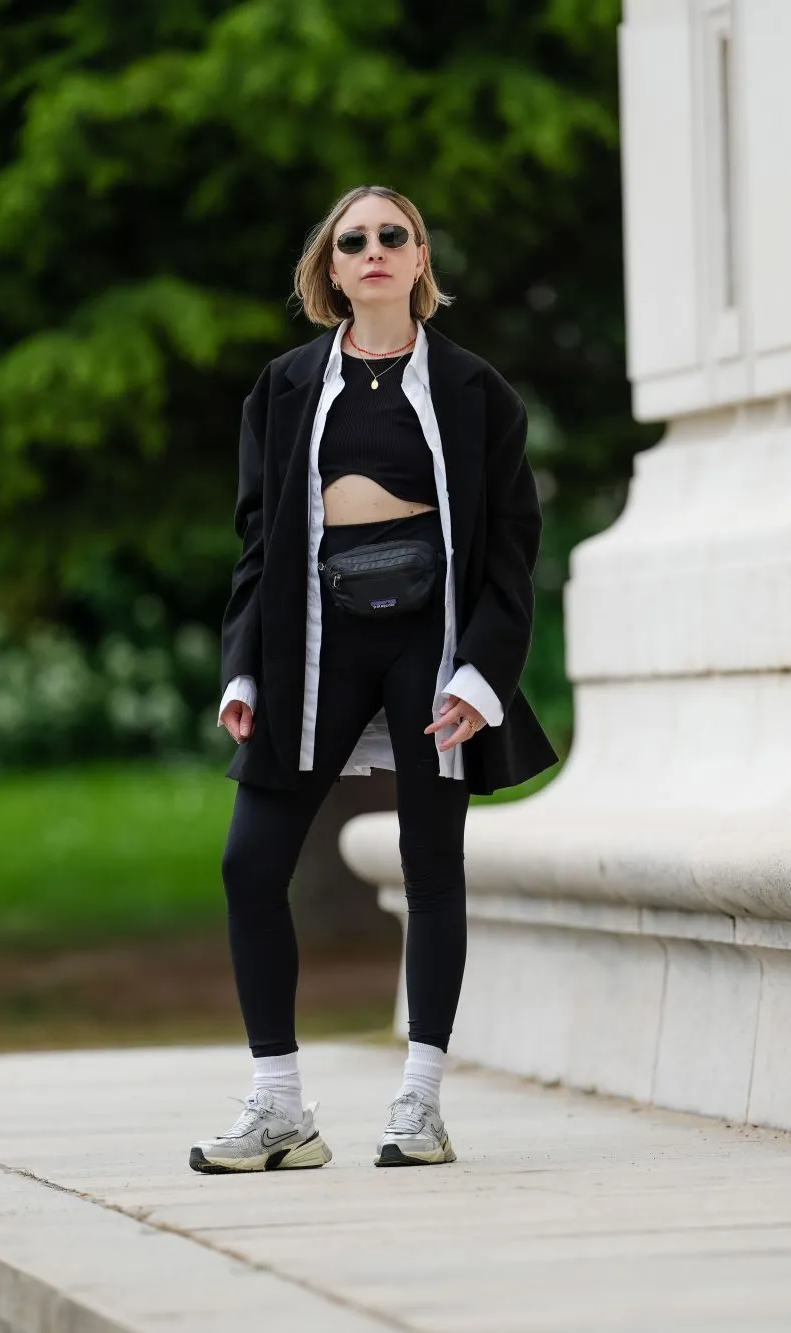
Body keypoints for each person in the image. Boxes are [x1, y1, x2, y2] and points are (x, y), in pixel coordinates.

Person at [189, 185, 558, 1173]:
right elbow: (258, 545)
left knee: (430, 863)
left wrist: (483, 671)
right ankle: (277, 1109)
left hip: (430, 639)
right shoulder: (283, 386)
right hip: (316, 635)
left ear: (420, 258)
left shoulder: (477, 390)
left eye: (393, 235)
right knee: (248, 863)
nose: (374, 250)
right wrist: (244, 672)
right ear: (332, 268)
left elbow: (511, 547)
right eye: (354, 240)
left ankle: (419, 1103)